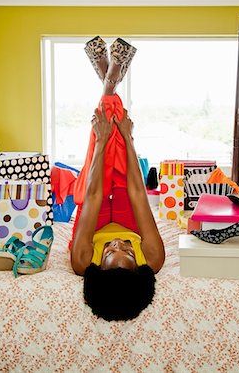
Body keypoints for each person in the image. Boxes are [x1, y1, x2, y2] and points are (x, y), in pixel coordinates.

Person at [70, 37, 165, 321]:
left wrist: (100, 141)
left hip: (94, 218)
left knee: (101, 141)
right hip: (128, 217)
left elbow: (94, 195)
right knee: (120, 147)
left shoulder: (82, 260)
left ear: (99, 266)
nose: (120, 243)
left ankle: (109, 80)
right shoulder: (154, 257)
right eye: (128, 250)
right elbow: (138, 193)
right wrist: (128, 137)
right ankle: (110, 79)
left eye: (112, 251)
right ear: (139, 266)